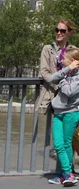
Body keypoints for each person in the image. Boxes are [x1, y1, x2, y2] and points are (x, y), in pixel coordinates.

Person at [38, 19, 76, 172]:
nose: (59, 33)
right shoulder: (48, 49)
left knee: (69, 138)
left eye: (63, 31)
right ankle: (65, 172)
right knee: (59, 139)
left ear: (69, 33)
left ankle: (68, 171)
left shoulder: (73, 50)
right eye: (57, 30)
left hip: (72, 98)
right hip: (53, 97)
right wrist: (59, 83)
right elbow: (44, 72)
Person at [46, 48, 79, 186]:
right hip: (58, 112)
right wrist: (65, 72)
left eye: (64, 58)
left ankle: (66, 174)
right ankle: (67, 174)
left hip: (71, 113)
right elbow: (52, 78)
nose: (61, 60)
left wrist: (62, 81)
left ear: (72, 61)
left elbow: (69, 92)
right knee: (59, 144)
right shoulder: (66, 73)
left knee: (66, 144)